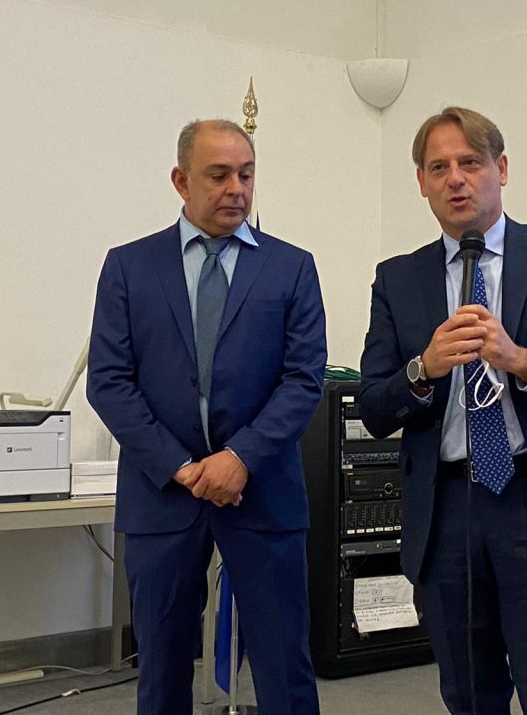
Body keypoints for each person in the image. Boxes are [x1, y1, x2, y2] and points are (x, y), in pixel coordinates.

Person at [358, 106, 527, 714]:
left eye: (470, 163)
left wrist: (521, 360)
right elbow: (374, 406)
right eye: (439, 168)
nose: (456, 179)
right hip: (447, 510)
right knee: (469, 696)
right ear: (422, 182)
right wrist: (423, 368)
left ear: (500, 169)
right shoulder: (398, 279)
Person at [87, 119, 326, 715]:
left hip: (263, 492)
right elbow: (108, 382)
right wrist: (182, 466)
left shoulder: (291, 267)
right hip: (163, 497)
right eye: (218, 175)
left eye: (246, 174)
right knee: (162, 669)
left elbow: (304, 379)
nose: (236, 189)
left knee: (285, 669)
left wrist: (240, 457)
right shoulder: (129, 267)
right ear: (181, 180)